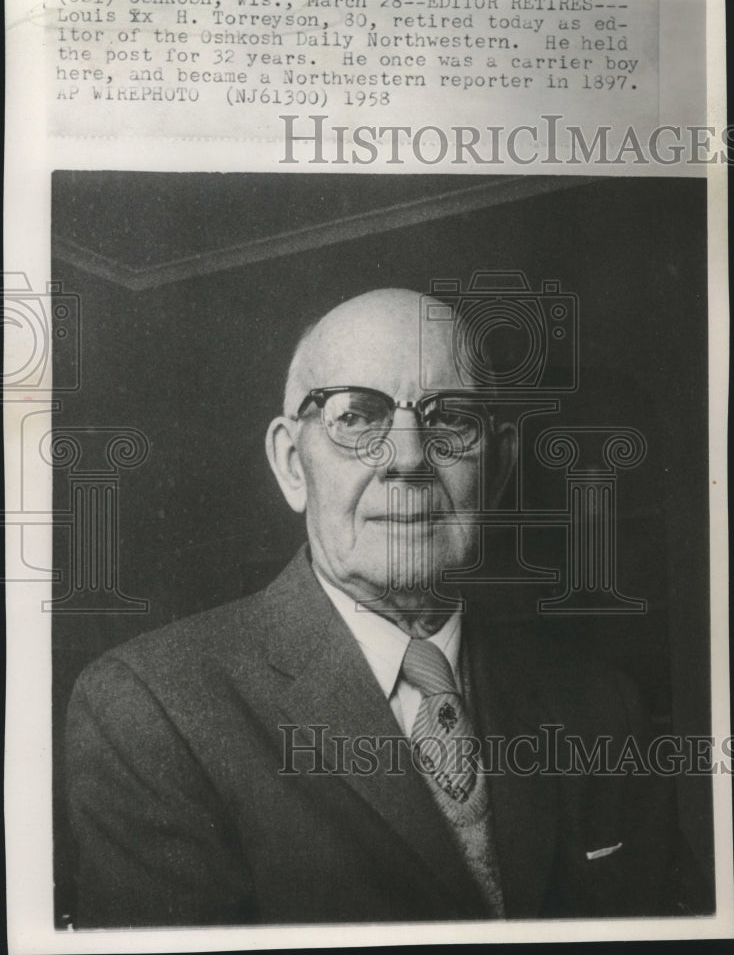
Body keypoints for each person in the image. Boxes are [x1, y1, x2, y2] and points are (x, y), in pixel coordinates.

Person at [66, 288, 693, 927]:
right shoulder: (152, 709)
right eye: (358, 416)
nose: (410, 456)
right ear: (291, 464)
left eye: (451, 418)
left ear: (497, 469)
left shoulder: (601, 706)